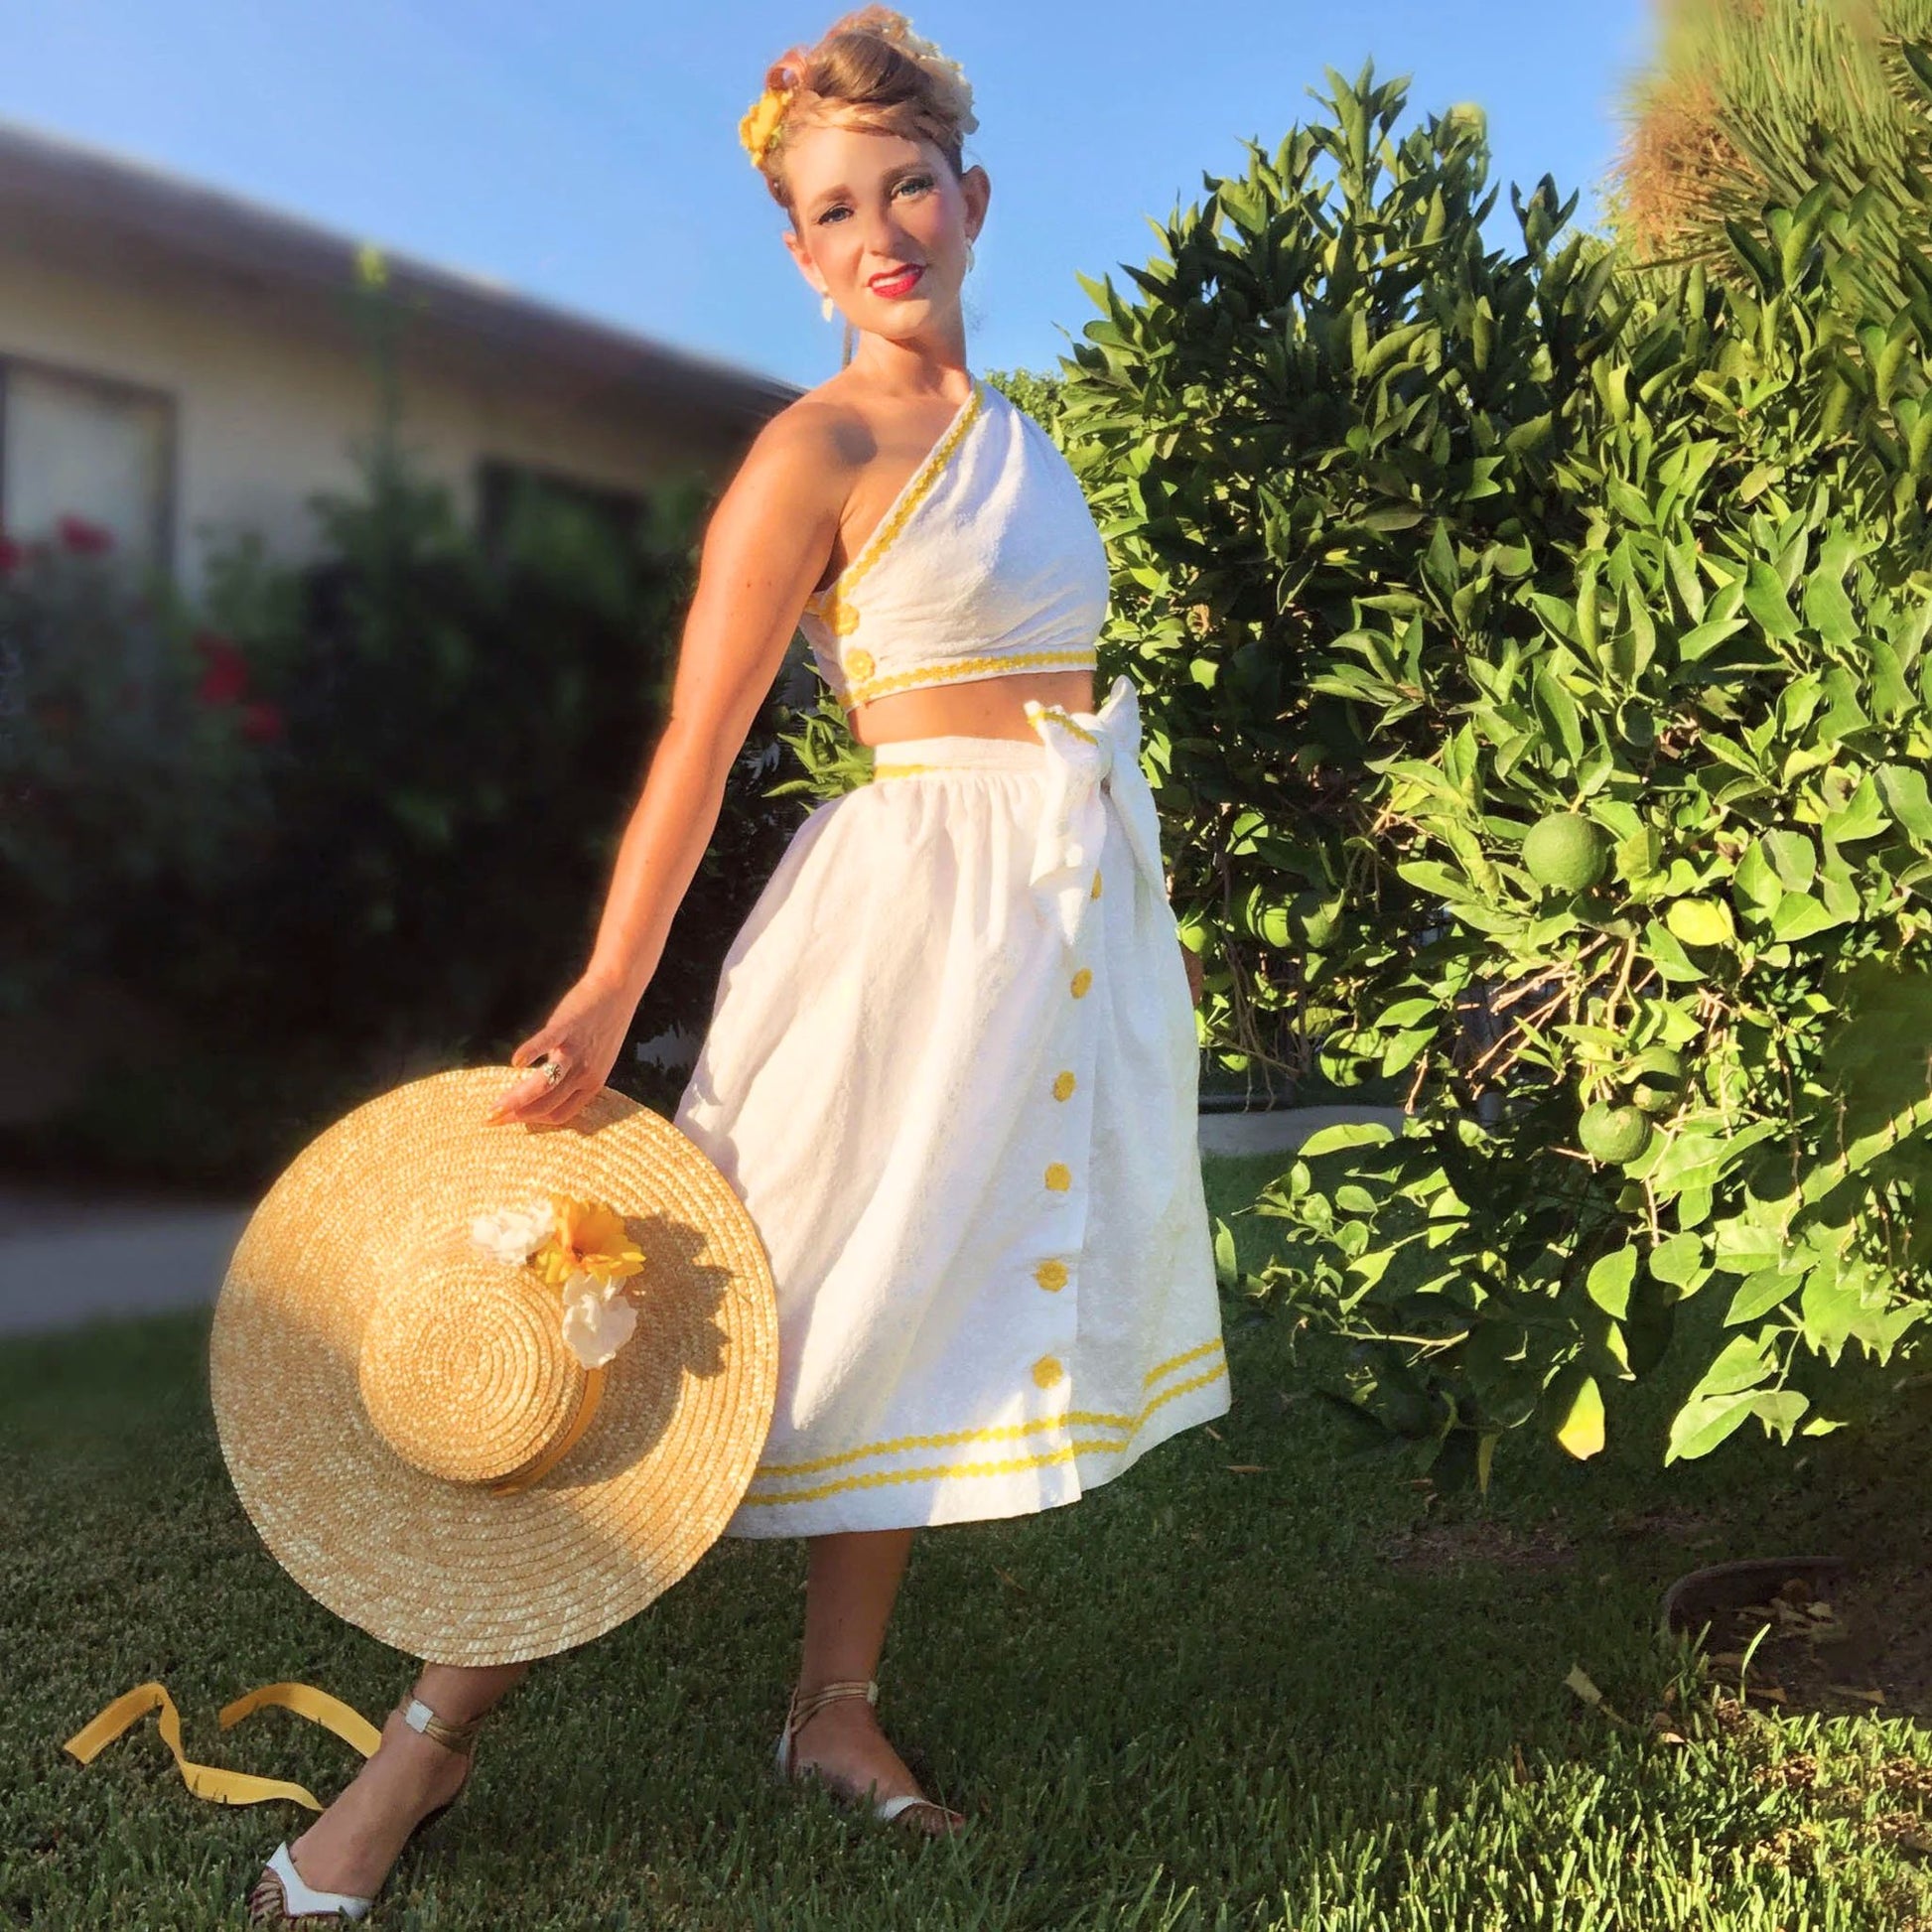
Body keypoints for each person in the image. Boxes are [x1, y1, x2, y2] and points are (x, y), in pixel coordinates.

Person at [253, 6, 1227, 1913]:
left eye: (910, 187)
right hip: (899, 930)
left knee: (914, 1299)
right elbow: (694, 750)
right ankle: (414, 1761)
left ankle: (833, 1707)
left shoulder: (1018, 438)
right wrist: (612, 991)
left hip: (1046, 920)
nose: (882, 231)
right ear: (798, 249)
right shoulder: (818, 445)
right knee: (715, 1333)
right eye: (836, 207)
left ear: (971, 197)